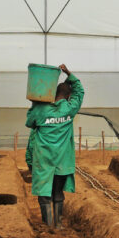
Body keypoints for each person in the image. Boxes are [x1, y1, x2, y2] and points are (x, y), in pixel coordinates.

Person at [25, 64, 84, 229]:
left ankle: (48, 225)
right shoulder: (69, 109)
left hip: (44, 158)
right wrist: (68, 73)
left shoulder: (41, 109)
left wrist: (36, 103)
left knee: (44, 194)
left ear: (53, 93)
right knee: (58, 192)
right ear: (67, 96)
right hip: (62, 159)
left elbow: (30, 122)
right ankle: (58, 224)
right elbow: (80, 92)